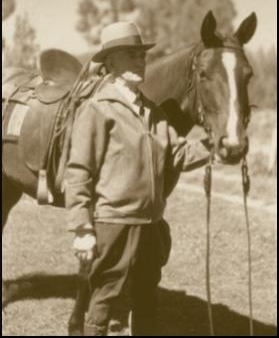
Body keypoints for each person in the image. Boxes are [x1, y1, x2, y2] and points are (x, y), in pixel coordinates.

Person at [65, 22, 211, 336]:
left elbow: (178, 154)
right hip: (113, 224)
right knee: (103, 298)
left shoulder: (153, 112)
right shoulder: (97, 110)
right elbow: (78, 172)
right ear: (111, 62)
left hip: (151, 225)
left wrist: (214, 149)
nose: (141, 61)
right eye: (132, 55)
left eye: (142, 55)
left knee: (147, 299)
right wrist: (82, 228)